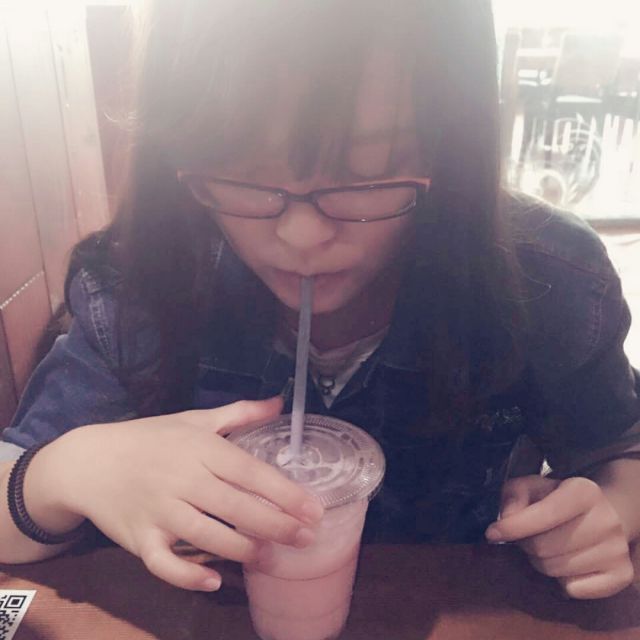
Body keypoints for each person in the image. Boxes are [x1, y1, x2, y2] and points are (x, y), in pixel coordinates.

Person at [1, 0, 639, 601]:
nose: (302, 237)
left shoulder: (547, 281)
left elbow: (621, 450)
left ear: (452, 151)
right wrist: (73, 468)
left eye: (369, 173)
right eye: (244, 173)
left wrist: (607, 508)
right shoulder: (141, 284)